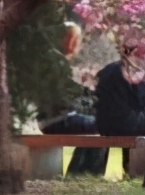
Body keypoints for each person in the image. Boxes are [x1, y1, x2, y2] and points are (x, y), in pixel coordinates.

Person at [38, 23, 107, 176]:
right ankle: (86, 173)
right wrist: (93, 96)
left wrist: (90, 94)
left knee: (94, 125)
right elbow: (66, 93)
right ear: (67, 40)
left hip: (53, 118)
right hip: (57, 120)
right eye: (75, 40)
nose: (77, 45)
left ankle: (78, 172)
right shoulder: (56, 60)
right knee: (104, 126)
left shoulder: (53, 59)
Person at [94, 44, 145, 175]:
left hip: (104, 123)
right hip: (121, 123)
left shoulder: (110, 69)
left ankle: (128, 167)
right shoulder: (130, 71)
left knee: (139, 119)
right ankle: (137, 170)